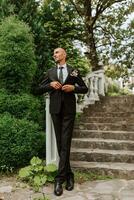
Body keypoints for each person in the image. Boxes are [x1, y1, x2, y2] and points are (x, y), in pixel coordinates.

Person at [35, 48, 88, 196]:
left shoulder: (74, 71)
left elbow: (85, 88)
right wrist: (49, 86)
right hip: (55, 110)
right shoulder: (50, 72)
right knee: (60, 143)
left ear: (64, 54)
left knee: (66, 142)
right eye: (53, 53)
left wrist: (74, 88)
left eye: (57, 52)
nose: (54, 54)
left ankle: (59, 179)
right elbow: (37, 89)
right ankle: (69, 175)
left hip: (69, 112)